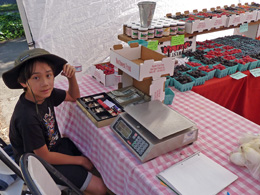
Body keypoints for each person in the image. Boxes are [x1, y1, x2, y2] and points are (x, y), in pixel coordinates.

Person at [2, 48, 107, 195]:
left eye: (48, 75)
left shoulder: (44, 94)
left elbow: (73, 96)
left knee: (94, 155)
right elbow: (44, 156)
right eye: (36, 78)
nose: (45, 83)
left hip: (54, 147)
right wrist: (80, 161)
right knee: (100, 188)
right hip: (39, 164)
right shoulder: (27, 117)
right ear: (23, 82)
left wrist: (71, 78)